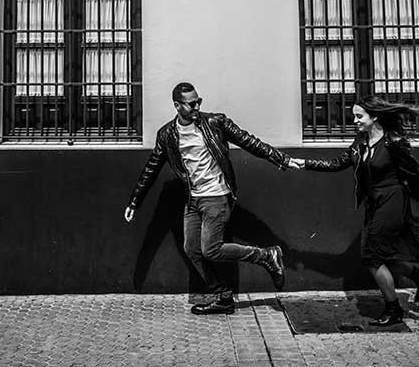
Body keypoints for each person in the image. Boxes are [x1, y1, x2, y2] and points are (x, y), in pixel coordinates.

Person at [124, 82, 303, 315]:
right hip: (193, 200)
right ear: (177, 106)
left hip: (217, 196)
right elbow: (151, 168)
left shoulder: (215, 122)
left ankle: (266, 255)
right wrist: (134, 201)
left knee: (211, 249)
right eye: (191, 103)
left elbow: (250, 142)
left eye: (199, 101)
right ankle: (223, 296)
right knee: (192, 249)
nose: (197, 106)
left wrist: (282, 159)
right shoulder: (167, 135)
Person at [296, 96, 419, 327]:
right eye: (354, 116)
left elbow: (417, 177)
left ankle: (393, 309)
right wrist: (303, 163)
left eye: (359, 116)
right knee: (380, 256)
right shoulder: (360, 142)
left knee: (372, 257)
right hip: (374, 202)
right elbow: (337, 163)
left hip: (393, 199)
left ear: (374, 116)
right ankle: (417, 275)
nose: (355, 121)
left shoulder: (394, 142)